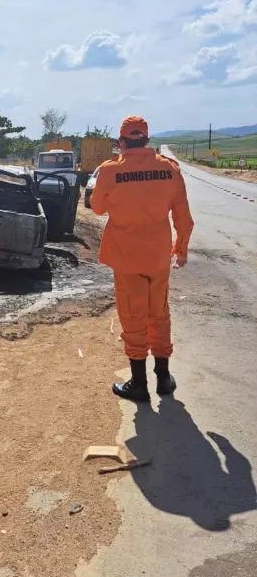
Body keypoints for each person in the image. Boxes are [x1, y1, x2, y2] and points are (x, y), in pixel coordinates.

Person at [91, 116, 194, 402]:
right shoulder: (169, 169)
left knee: (132, 316)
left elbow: (97, 208)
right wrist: (181, 250)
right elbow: (184, 218)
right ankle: (163, 379)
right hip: (159, 257)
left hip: (126, 258)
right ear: (147, 141)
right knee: (159, 313)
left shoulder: (110, 171)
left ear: (121, 142)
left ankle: (138, 384)